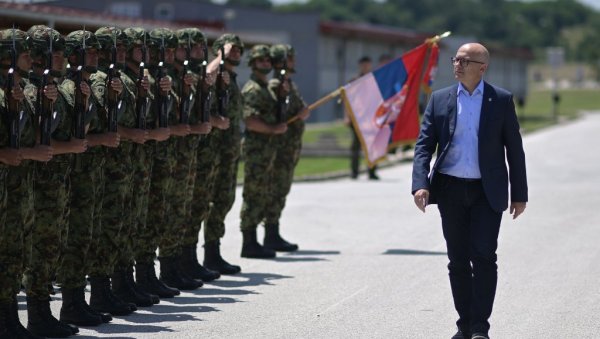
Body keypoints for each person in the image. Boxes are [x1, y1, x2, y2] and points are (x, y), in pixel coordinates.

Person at [411, 43, 528, 339]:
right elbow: (424, 146)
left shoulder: (500, 100)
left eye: (465, 60)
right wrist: (420, 184)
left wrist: (520, 193)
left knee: (485, 256)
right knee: (458, 260)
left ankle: (480, 328)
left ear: (482, 67)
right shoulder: (439, 100)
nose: (458, 64)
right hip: (450, 189)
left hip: (486, 192)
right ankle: (465, 325)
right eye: (456, 59)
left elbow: (515, 150)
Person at [239, 44, 288, 259]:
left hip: (268, 151)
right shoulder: (252, 89)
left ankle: (258, 240)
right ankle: (249, 242)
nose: (265, 64)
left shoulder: (267, 87)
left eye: (268, 61)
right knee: (253, 194)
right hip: (256, 150)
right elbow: (250, 122)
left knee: (264, 193)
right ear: (252, 64)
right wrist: (273, 129)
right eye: (261, 61)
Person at [262, 43, 310, 252]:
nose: (293, 62)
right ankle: (270, 234)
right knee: (275, 190)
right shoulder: (276, 85)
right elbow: (278, 113)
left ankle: (274, 231)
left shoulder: (288, 83)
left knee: (281, 190)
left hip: (289, 148)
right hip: (280, 148)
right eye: (290, 58)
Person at [347, 56, 379, 180]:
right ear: (360, 66)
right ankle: (354, 172)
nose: (365, 67)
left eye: (367, 64)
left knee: (372, 146)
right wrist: (347, 116)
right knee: (356, 146)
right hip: (357, 118)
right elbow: (348, 100)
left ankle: (372, 171)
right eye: (363, 65)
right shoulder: (355, 81)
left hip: (371, 118)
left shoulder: (374, 80)